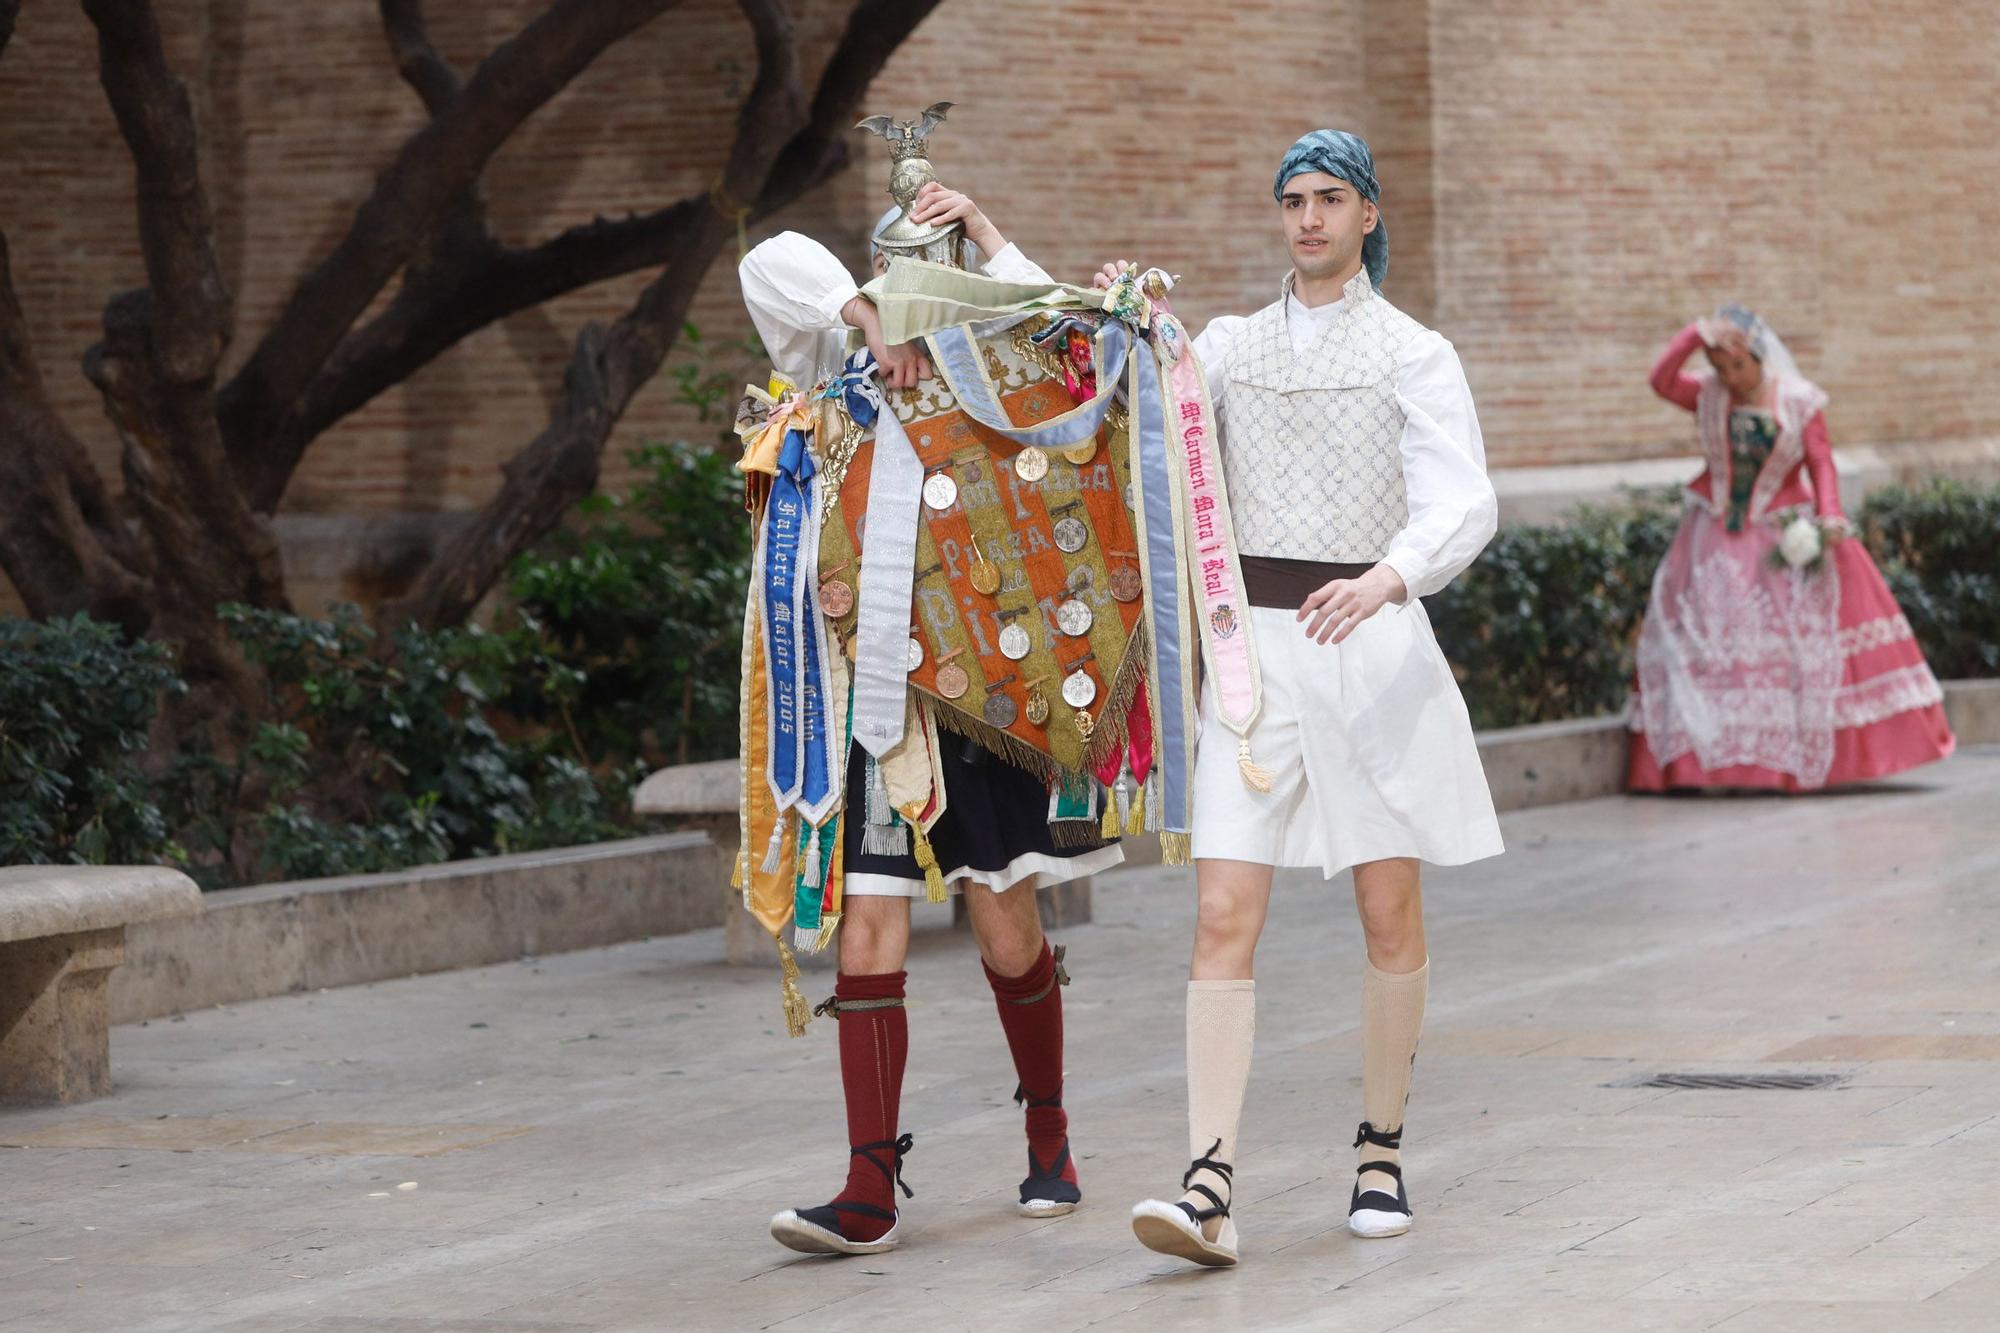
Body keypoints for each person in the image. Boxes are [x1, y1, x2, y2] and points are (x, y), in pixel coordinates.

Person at [1097, 130, 1502, 1268]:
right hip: (1247, 667)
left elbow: (1461, 500)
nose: (1307, 218)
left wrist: (1387, 576)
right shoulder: (1222, 347)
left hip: (1368, 650)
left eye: (1328, 199)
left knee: (1388, 916)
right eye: (1290, 201)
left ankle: (1378, 1147)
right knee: (1222, 916)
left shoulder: (1415, 353)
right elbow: (1116, 365)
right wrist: (987, 242)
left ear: (1368, 213)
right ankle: (1207, 1183)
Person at [739, 182, 1121, 1257]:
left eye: (930, 267)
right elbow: (767, 262)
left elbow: (1068, 326)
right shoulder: (841, 370)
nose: (911, 289)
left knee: (1003, 923)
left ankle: (1047, 1128)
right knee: (868, 918)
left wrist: (995, 232)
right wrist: (862, 320)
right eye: (892, 268)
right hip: (871, 696)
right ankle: (869, 1187)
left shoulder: (1002, 373)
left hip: (977, 691)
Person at [1627, 306, 1955, 791]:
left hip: (1778, 537)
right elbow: (1660, 380)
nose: (1730, 378)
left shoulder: (1799, 401)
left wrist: (1829, 516)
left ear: (1760, 357)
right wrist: (1694, 334)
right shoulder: (1708, 395)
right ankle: (1706, 764)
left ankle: (1784, 764)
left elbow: (1820, 461)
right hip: (1712, 540)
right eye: (1719, 368)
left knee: (1792, 651)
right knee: (1708, 644)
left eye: (1737, 366)